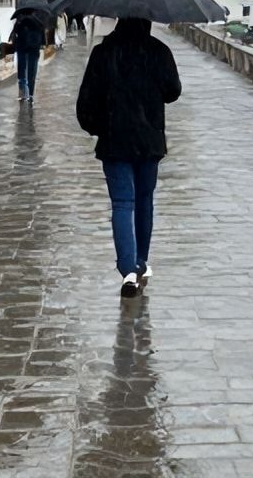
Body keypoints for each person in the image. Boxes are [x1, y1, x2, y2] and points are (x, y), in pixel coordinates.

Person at [75, 17, 181, 298]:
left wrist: (99, 128)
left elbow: (85, 102)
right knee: (144, 201)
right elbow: (173, 92)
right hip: (149, 141)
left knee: (123, 203)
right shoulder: (158, 51)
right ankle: (141, 261)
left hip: (114, 141)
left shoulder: (103, 53)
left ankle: (128, 271)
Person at [10, 9, 46, 102]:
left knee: (22, 70)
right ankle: (31, 94)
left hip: (22, 48)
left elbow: (15, 33)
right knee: (32, 71)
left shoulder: (20, 21)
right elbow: (42, 34)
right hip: (34, 49)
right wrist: (42, 43)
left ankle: (22, 93)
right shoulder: (38, 20)